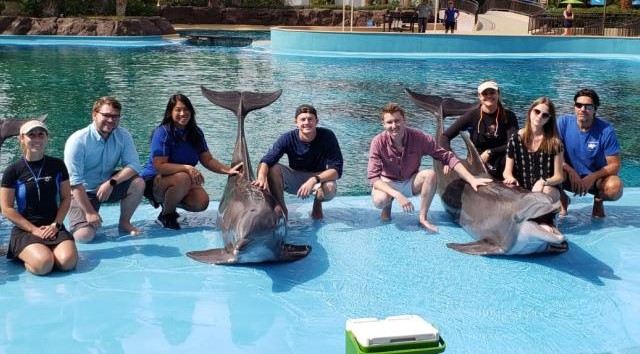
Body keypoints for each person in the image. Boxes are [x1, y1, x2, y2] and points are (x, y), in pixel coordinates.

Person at [368, 103, 492, 232]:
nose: (394, 126)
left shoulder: (418, 137)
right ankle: (386, 208)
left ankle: (423, 217)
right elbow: (373, 178)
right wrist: (397, 194)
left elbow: (447, 157)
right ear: (383, 124)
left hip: (410, 180)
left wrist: (471, 179)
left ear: (404, 120)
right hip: (388, 182)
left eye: (397, 121)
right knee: (380, 200)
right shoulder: (378, 142)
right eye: (389, 122)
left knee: (431, 174)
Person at [141, 94, 242, 230]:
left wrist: (228, 170)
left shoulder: (195, 133)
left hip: (179, 180)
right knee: (183, 177)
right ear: (170, 112)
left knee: (201, 202)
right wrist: (187, 168)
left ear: (191, 112)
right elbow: (159, 166)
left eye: (186, 109)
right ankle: (166, 215)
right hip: (152, 180)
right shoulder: (163, 132)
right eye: (178, 110)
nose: (183, 113)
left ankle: (168, 202)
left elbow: (208, 160)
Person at [0, 121, 78, 275]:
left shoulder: (57, 165)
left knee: (67, 263)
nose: (37, 138)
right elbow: (6, 208)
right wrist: (34, 230)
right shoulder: (13, 171)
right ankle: (26, 254)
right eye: (31, 134)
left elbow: (65, 198)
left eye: (40, 134)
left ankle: (43, 251)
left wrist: (56, 224)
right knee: (44, 265)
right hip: (25, 230)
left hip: (54, 226)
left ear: (46, 138)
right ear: (21, 138)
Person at [64, 96, 145, 242]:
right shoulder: (77, 141)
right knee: (84, 237)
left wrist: (111, 183)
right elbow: (74, 183)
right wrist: (89, 212)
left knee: (138, 183)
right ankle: (81, 220)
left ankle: (124, 222)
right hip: (83, 190)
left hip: (106, 185)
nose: (111, 120)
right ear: (94, 114)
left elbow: (134, 166)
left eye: (115, 116)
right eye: (106, 115)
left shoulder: (123, 135)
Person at [252, 104, 343, 221]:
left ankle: (317, 203)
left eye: (310, 119)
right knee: (272, 168)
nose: (306, 122)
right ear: (296, 122)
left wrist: (314, 179)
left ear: (316, 121)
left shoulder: (327, 136)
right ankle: (282, 208)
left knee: (330, 189)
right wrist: (261, 177)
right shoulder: (287, 138)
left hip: (317, 179)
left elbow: (337, 170)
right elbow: (267, 160)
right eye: (303, 119)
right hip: (294, 177)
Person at [556, 89, 623, 218]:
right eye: (579, 105)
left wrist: (592, 177)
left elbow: (615, 165)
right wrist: (571, 172)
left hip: (595, 181)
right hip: (568, 177)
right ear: (574, 107)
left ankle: (598, 201)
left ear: (595, 109)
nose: (582, 109)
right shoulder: (563, 123)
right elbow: (554, 155)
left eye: (588, 106)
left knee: (615, 187)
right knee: (546, 170)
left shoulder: (606, 130)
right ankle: (562, 199)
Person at [439, 80, 519, 180]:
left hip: (502, 162)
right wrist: (449, 158)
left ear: (498, 93)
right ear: (479, 96)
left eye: (492, 92)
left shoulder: (509, 116)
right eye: (485, 93)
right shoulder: (472, 116)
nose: (489, 96)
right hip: (478, 163)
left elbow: (513, 143)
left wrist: (491, 152)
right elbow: (444, 137)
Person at [503, 98, 564, 202]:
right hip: (522, 187)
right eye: (537, 111)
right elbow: (507, 172)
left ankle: (546, 214)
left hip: (546, 188)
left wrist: (543, 182)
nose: (539, 116)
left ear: (549, 119)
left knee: (546, 191)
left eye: (545, 115)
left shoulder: (554, 143)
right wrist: (510, 178)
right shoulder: (515, 139)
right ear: (530, 111)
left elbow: (559, 176)